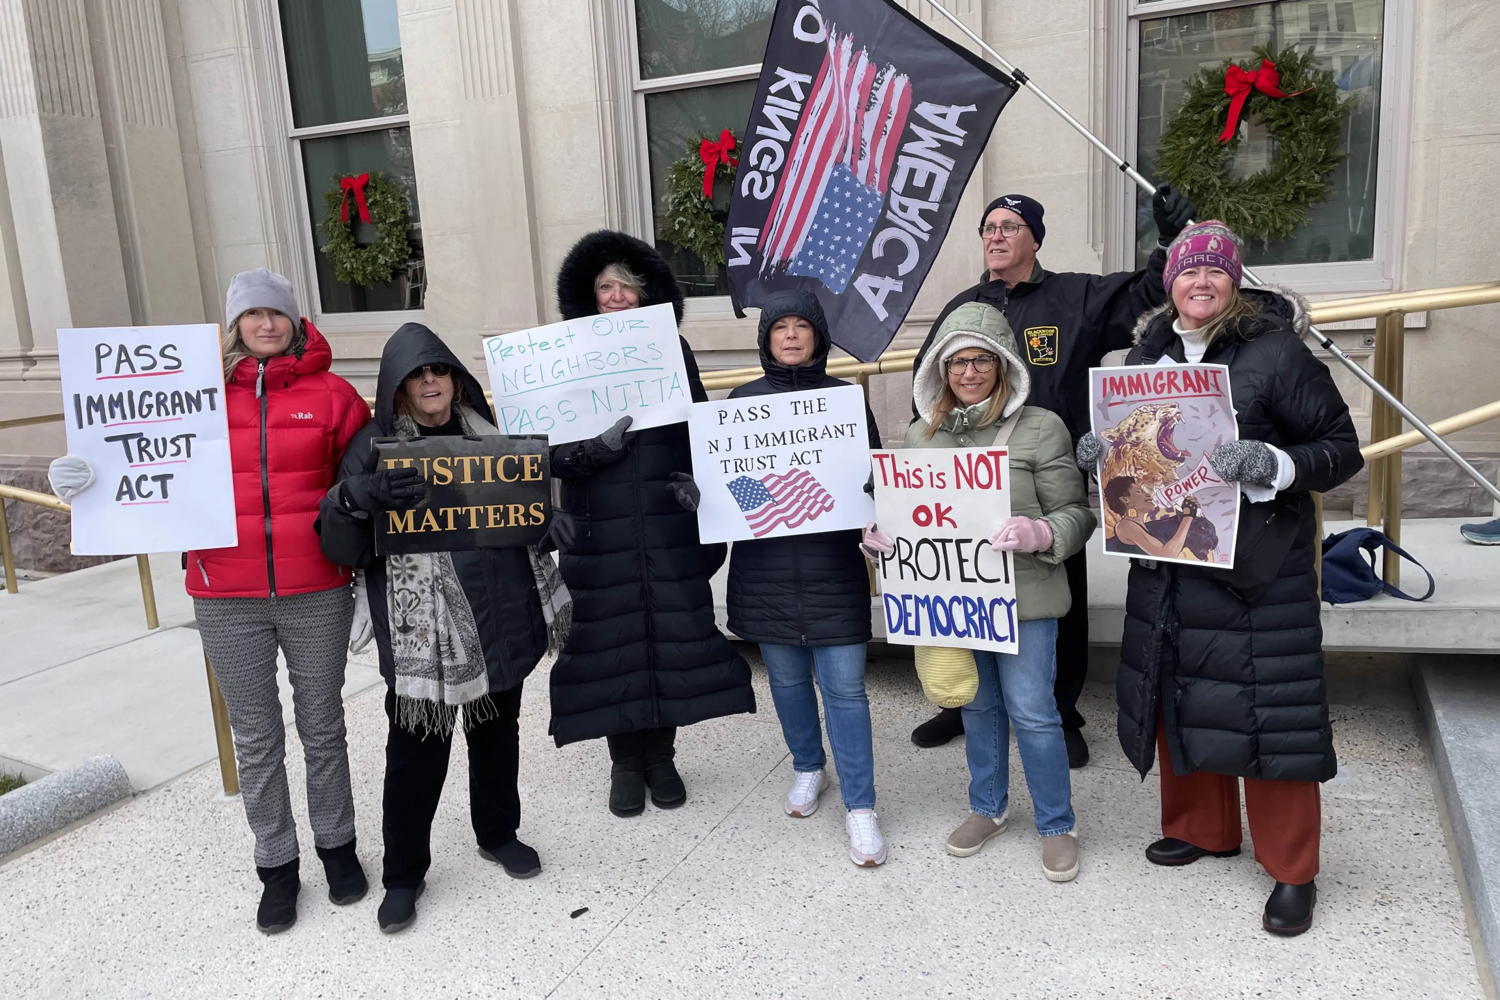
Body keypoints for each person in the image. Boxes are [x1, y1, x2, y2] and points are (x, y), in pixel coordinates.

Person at [48, 269, 371, 933]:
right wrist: (80, 476)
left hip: (316, 589)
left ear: (294, 320)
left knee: (323, 728)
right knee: (255, 737)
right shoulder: (186, 394)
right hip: (226, 594)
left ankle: (337, 848)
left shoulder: (334, 396)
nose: (265, 324)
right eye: (252, 314)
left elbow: (364, 481)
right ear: (235, 325)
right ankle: (276, 866)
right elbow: (128, 457)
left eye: (276, 313)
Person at [1077, 221, 1364, 936]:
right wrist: (1101, 454)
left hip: (1257, 569)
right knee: (1182, 697)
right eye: (1186, 272)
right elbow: (1138, 447)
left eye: (1214, 272)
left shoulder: (1277, 352)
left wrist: (1277, 464)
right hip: (1172, 558)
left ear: (1234, 282)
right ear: (1170, 282)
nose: (1199, 282)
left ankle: (1292, 868)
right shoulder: (1147, 354)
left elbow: (1339, 448)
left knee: (1270, 714)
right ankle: (1203, 829)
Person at [905, 188, 1196, 764]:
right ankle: (961, 705)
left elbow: (1146, 294)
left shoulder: (1075, 296)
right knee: (964, 586)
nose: (996, 235)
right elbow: (929, 384)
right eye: (989, 227)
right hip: (965, 479)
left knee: (1058, 595)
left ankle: (1059, 710)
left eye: (1010, 226)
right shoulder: (963, 306)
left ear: (1035, 239)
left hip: (1044, 474)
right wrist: (915, 471)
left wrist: (1168, 244)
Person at [317, 322, 567, 933]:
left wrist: (551, 521)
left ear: (456, 380)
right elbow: (341, 543)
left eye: (439, 370)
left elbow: (526, 511)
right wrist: (359, 496)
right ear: (397, 388)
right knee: (415, 758)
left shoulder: (493, 438)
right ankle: (404, 874)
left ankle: (497, 833)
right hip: (423, 636)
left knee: (497, 736)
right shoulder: (372, 447)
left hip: (503, 615)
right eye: (416, 374)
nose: (430, 381)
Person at [866, 301, 1095, 881]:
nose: (968, 372)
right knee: (978, 706)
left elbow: (1076, 511)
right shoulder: (921, 434)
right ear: (940, 371)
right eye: (957, 362)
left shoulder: (1041, 427)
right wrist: (885, 539)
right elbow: (909, 514)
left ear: (1003, 365)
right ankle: (987, 808)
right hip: (958, 601)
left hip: (1026, 599)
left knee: (1035, 713)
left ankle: (1056, 823)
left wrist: (1042, 531)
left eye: (981, 361)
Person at [547, 230, 754, 817]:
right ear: (591, 294)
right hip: (598, 523)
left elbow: (698, 429)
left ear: (645, 296)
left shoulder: (674, 348)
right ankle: (625, 761)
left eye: (627, 288)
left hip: (664, 519)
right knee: (611, 640)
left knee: (669, 636)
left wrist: (696, 480)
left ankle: (662, 756)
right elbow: (545, 450)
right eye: (606, 287)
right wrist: (593, 452)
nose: (616, 296)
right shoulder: (564, 353)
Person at [724, 290, 886, 867]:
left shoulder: (845, 401)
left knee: (844, 689)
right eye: (779, 328)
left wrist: (874, 510)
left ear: (818, 336)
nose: (791, 335)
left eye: (802, 326)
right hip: (765, 567)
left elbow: (872, 477)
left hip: (831, 567)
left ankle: (861, 807)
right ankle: (807, 768)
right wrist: (706, 495)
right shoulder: (740, 402)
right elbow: (731, 482)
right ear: (766, 338)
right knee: (788, 684)